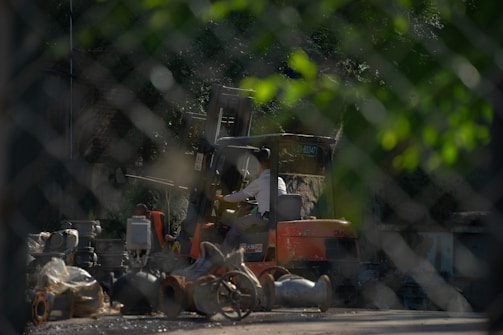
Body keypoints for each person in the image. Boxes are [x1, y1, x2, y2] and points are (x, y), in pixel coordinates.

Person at [216, 148, 287, 252]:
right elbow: (269, 199)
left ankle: (223, 251)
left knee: (238, 223)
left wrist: (223, 198)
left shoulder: (261, 181)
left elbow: (239, 196)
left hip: (264, 219)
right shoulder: (280, 180)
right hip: (278, 218)